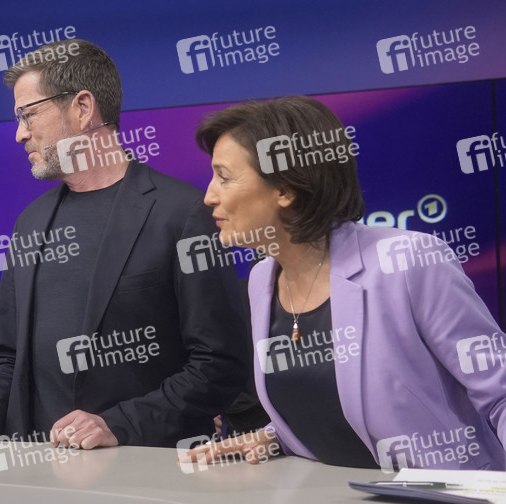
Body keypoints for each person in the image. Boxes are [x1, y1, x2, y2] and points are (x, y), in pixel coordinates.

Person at [0, 39, 248, 449]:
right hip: (35, 473)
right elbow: (10, 357)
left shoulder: (181, 213)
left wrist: (119, 425)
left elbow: (218, 366)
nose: (20, 134)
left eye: (28, 114)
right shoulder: (30, 223)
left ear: (83, 108)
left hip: (146, 472)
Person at [185, 96, 506, 473]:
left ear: (285, 189)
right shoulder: (262, 278)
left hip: (451, 502)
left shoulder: (409, 261)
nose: (209, 196)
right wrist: (276, 435)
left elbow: (499, 393)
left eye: (224, 177)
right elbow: (325, 398)